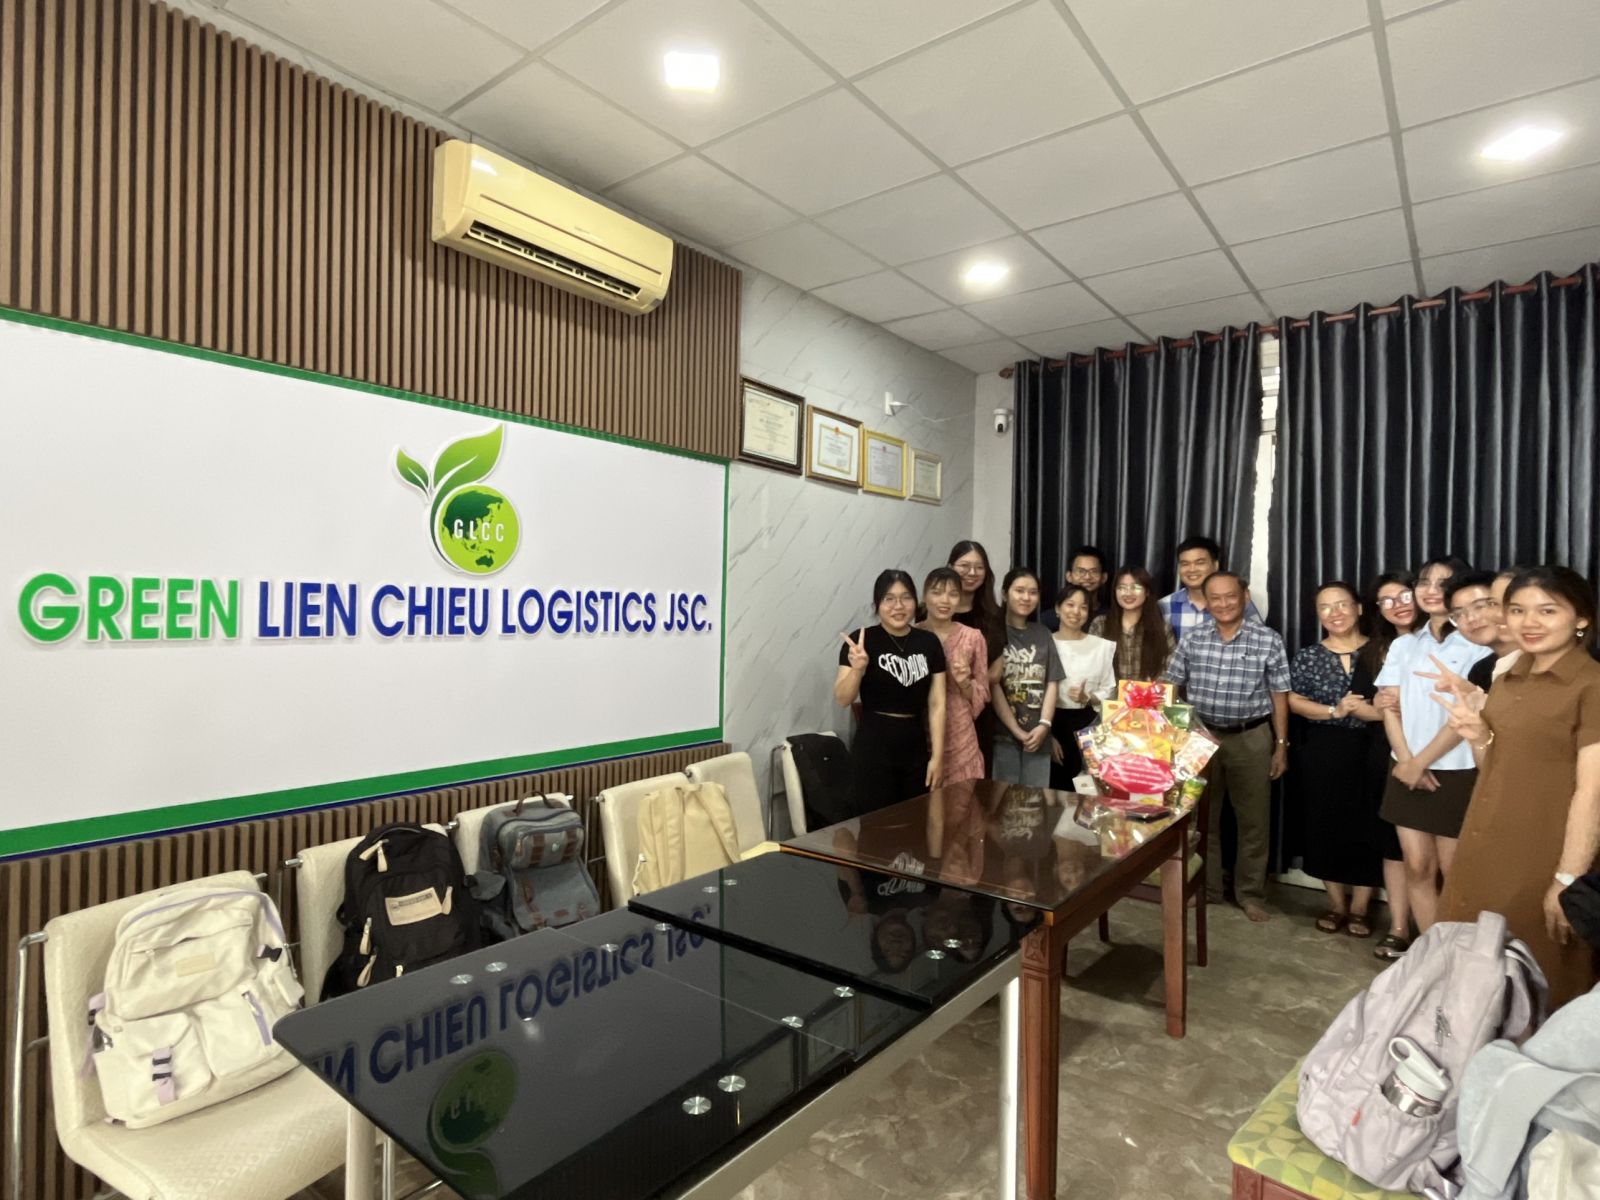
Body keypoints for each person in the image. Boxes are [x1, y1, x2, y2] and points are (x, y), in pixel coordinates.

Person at [1432, 565, 1600, 1008]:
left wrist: (1568, 878)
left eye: (1547, 610)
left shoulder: (1592, 686)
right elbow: (1493, 764)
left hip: (1543, 857)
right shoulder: (1507, 677)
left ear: (1581, 618)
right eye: (1518, 610)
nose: (1529, 622)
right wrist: (1478, 735)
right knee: (1471, 981)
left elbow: (1593, 793)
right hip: (1484, 843)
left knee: (1536, 980)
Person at [1163, 571, 1291, 923]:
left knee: (1254, 822)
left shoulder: (1268, 639)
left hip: (1251, 737)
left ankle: (1250, 894)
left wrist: (1281, 745)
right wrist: (1171, 735)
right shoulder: (1193, 639)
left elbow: (1279, 695)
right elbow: (1170, 685)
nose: (1223, 604)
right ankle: (1208, 888)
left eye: (1230, 596)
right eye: (1215, 598)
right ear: (1206, 602)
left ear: (1244, 596)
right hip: (1201, 737)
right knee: (1203, 819)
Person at [1374, 555, 1490, 932]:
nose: (1431, 590)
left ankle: (1458, 952)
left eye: (1443, 583)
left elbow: (1466, 716)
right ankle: (1429, 948)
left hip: (1457, 769)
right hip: (1404, 767)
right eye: (1423, 582)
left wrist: (1420, 761)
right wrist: (1407, 761)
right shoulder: (1405, 645)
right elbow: (1388, 705)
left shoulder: (1479, 644)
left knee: (1454, 871)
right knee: (1417, 866)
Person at [1288, 581, 1389, 940]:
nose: (1335, 613)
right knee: (1325, 823)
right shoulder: (1308, 656)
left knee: (1370, 824)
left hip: (1374, 747)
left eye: (1342, 604)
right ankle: (1335, 905)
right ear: (1318, 615)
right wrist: (1334, 710)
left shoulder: (1384, 650)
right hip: (1324, 749)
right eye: (1326, 607)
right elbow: (1293, 701)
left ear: (1359, 608)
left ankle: (1361, 907)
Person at [834, 570, 946, 816]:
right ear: (877, 604)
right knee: (875, 825)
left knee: (914, 822)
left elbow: (938, 703)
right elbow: (843, 698)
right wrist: (858, 669)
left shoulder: (929, 642)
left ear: (916, 602)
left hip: (915, 743)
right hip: (873, 746)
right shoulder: (861, 641)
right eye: (889, 599)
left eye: (906, 598)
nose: (898, 606)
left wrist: (937, 757)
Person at [1357, 572, 1419, 960]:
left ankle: (1437, 930)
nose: (1397, 605)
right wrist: (1377, 707)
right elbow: (1363, 705)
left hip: (1445, 756)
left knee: (1435, 852)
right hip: (1385, 754)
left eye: (1404, 595)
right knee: (1394, 845)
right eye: (1386, 600)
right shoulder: (1375, 650)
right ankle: (1398, 928)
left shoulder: (1449, 642)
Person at [991, 568, 1063, 787]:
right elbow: (993, 685)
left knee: (1034, 801)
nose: (1026, 597)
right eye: (1019, 590)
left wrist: (1044, 725)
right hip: (1002, 736)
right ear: (1005, 594)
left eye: (1032, 592)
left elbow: (1052, 682)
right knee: (1003, 800)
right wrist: (1015, 730)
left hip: (1038, 735)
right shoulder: (994, 631)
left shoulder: (1042, 633)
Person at [918, 566, 989, 786]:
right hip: (919, 732)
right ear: (924, 596)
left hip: (961, 736)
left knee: (961, 802)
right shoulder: (913, 635)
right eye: (937, 592)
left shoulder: (973, 637)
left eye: (952, 594)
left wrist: (964, 683)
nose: (945, 600)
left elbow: (983, 694)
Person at [1048, 582, 1116, 790]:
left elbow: (1110, 689)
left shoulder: (1101, 647)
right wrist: (1047, 736)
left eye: (1083, 607)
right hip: (1052, 723)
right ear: (1058, 609)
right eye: (1070, 605)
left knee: (1087, 792)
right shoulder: (1045, 643)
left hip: (1088, 725)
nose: (1076, 612)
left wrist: (1088, 697)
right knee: (1055, 791)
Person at [948, 540, 1006, 772]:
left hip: (979, 711)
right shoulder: (931, 612)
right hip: (940, 709)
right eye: (964, 566)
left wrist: (966, 684)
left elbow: (996, 672)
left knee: (976, 782)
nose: (972, 573)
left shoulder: (994, 614)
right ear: (950, 567)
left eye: (979, 567)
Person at [1157, 535, 1263, 640]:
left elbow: (1260, 639)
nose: (1192, 569)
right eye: (1185, 564)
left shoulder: (1237, 603)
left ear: (1215, 565)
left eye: (1200, 563)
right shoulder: (1164, 606)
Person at [1087, 566, 1177, 682]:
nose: (1128, 593)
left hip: (1149, 693)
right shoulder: (1100, 625)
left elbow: (1171, 671)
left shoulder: (1162, 628)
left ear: (1147, 591)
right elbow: (1092, 667)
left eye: (1136, 587)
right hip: (1108, 693)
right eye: (1122, 587)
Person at [1044, 545, 1111, 630]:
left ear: (1104, 577)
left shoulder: (1111, 617)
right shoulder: (1048, 619)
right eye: (1081, 571)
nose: (1087, 577)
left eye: (1093, 571)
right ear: (1069, 576)